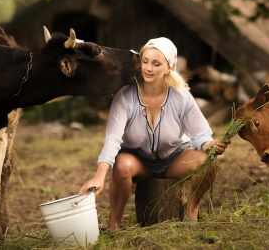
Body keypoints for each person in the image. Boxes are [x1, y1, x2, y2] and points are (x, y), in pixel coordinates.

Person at [79, 37, 227, 230]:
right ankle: (114, 223)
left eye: (156, 63)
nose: (148, 68)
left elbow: (200, 134)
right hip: (138, 162)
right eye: (145, 61)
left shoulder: (181, 96)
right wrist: (99, 176)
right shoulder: (125, 96)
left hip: (173, 159)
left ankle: (192, 209)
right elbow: (113, 139)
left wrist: (209, 145)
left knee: (210, 163)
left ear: (169, 67)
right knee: (122, 166)